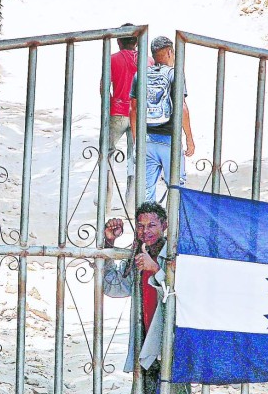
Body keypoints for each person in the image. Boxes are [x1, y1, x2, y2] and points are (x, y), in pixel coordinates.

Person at [103, 201, 190, 394]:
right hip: (146, 341)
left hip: (173, 342)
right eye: (140, 226)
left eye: (151, 225)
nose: (145, 231)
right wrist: (108, 244)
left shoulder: (176, 253)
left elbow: (185, 293)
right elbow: (112, 287)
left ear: (164, 226)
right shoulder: (137, 256)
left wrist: (157, 270)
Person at [129, 36, 195, 203]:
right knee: (175, 188)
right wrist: (189, 138)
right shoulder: (174, 74)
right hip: (169, 141)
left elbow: (134, 109)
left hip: (147, 141)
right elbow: (182, 108)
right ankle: (172, 226)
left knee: (146, 190)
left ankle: (148, 227)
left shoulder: (141, 75)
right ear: (170, 52)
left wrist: (138, 141)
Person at [98, 23, 153, 215]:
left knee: (107, 155)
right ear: (137, 42)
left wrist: (110, 107)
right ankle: (131, 206)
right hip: (139, 115)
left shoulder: (112, 59)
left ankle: (105, 203)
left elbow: (104, 89)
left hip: (118, 111)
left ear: (119, 41)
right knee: (135, 158)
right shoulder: (148, 61)